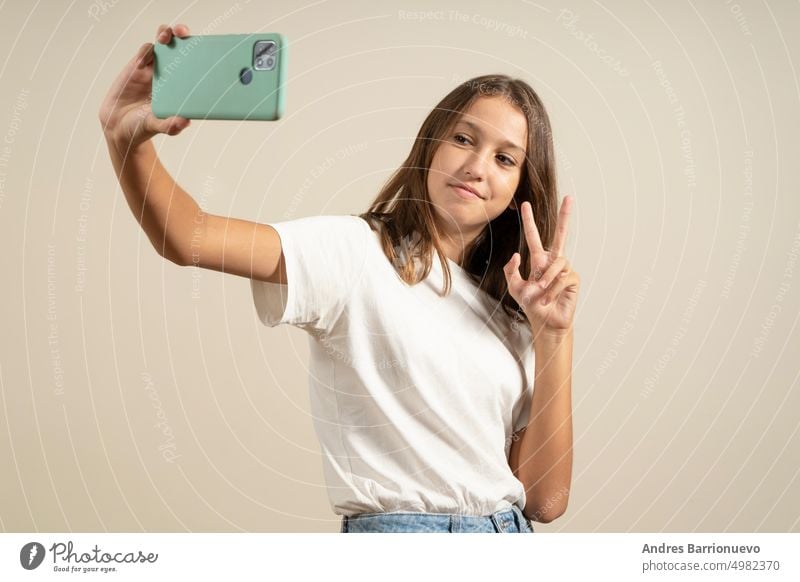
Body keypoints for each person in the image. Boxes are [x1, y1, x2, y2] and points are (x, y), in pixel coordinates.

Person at [99, 23, 579, 534]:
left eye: (505, 158)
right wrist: (125, 139)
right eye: (463, 138)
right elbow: (187, 236)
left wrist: (554, 335)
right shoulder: (356, 251)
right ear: (431, 146)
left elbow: (545, 501)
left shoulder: (515, 315)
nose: (477, 166)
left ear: (519, 188)